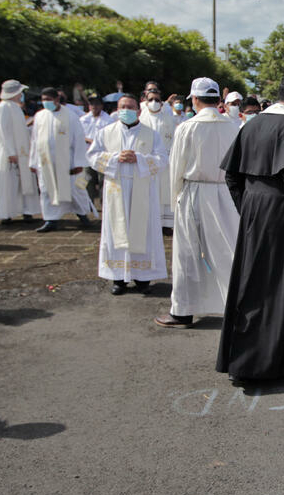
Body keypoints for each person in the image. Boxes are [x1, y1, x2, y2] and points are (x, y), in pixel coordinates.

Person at [216, 74, 284, 383]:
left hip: (254, 211)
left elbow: (231, 175)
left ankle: (244, 360)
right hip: (282, 213)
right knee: (283, 287)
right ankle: (278, 363)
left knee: (250, 284)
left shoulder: (251, 124)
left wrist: (246, 207)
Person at [154, 77, 240, 329]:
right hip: (226, 192)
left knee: (188, 253)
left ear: (194, 99)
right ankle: (235, 306)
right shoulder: (233, 127)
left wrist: (175, 200)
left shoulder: (187, 127)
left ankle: (183, 310)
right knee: (228, 249)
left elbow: (176, 168)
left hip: (195, 192)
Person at [87, 94, 168, 295]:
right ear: (117, 108)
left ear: (139, 111)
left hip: (143, 191)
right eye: (122, 106)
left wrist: (139, 159)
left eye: (130, 107)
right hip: (117, 189)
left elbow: (162, 159)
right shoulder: (105, 132)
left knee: (143, 231)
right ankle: (118, 278)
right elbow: (92, 156)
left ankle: (143, 278)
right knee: (117, 231)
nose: (126, 110)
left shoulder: (152, 134)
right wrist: (115, 158)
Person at [29, 87, 98, 233]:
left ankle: (82, 214)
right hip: (46, 161)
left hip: (67, 162)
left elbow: (79, 140)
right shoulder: (40, 116)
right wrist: (33, 161)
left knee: (75, 190)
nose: (46, 102)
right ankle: (50, 219)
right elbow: (35, 140)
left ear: (57, 99)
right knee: (48, 190)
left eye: (49, 99)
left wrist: (79, 163)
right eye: (43, 100)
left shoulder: (70, 116)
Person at [0, 80, 39, 223]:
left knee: (24, 183)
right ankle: (6, 213)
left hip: (22, 151)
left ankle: (27, 210)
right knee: (8, 184)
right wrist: (10, 152)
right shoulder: (3, 107)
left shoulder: (16, 107)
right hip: (11, 152)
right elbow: (3, 132)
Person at [139, 88, 178, 231]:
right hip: (147, 161)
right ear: (145, 101)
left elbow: (174, 138)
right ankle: (150, 221)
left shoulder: (168, 118)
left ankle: (166, 224)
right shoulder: (141, 117)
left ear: (162, 103)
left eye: (157, 100)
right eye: (151, 100)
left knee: (165, 191)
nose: (154, 102)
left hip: (166, 161)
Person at [79, 96, 115, 203]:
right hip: (87, 154)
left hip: (102, 154)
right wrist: (89, 140)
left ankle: (104, 203)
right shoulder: (83, 120)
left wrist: (95, 142)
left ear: (101, 106)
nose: (94, 107)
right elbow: (79, 135)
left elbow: (110, 136)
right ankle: (88, 203)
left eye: (97, 104)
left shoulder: (108, 120)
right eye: (92, 104)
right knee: (87, 180)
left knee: (102, 181)